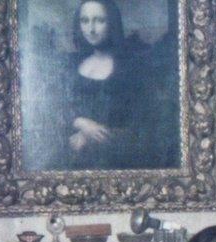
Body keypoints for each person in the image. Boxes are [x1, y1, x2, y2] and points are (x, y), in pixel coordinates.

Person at [64, 0, 153, 169]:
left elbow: (140, 127)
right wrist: (81, 123)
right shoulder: (71, 64)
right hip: (71, 157)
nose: (91, 29)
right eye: (85, 21)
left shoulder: (129, 68)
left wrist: (91, 136)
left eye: (99, 20)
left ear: (112, 23)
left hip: (114, 160)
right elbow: (56, 112)